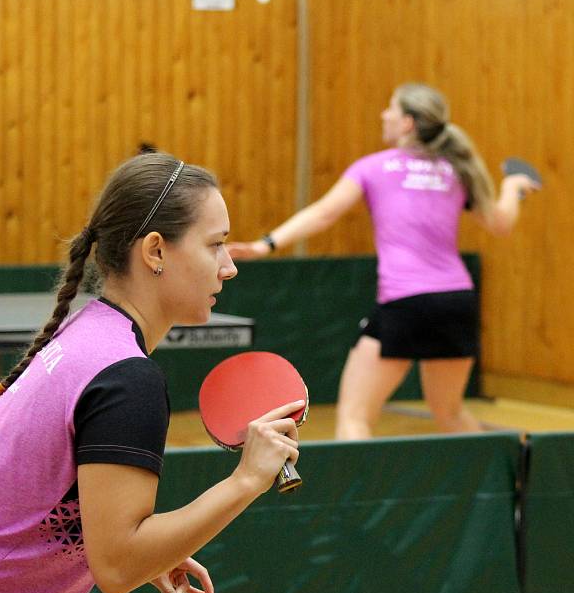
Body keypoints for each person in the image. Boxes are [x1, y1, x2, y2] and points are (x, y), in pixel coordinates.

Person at [0, 152, 302, 593]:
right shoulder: (126, 379)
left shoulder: (87, 335)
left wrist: (146, 550)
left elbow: (52, 509)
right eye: (215, 245)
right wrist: (247, 480)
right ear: (156, 251)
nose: (229, 267)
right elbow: (119, 568)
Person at [228, 83, 540, 440]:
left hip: (405, 302)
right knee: (450, 413)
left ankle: (355, 496)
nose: (383, 115)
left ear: (407, 122)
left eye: (390, 108)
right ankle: (506, 488)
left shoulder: (373, 167)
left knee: (355, 415)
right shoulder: (456, 172)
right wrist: (514, 187)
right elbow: (501, 223)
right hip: (456, 301)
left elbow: (325, 214)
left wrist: (265, 244)